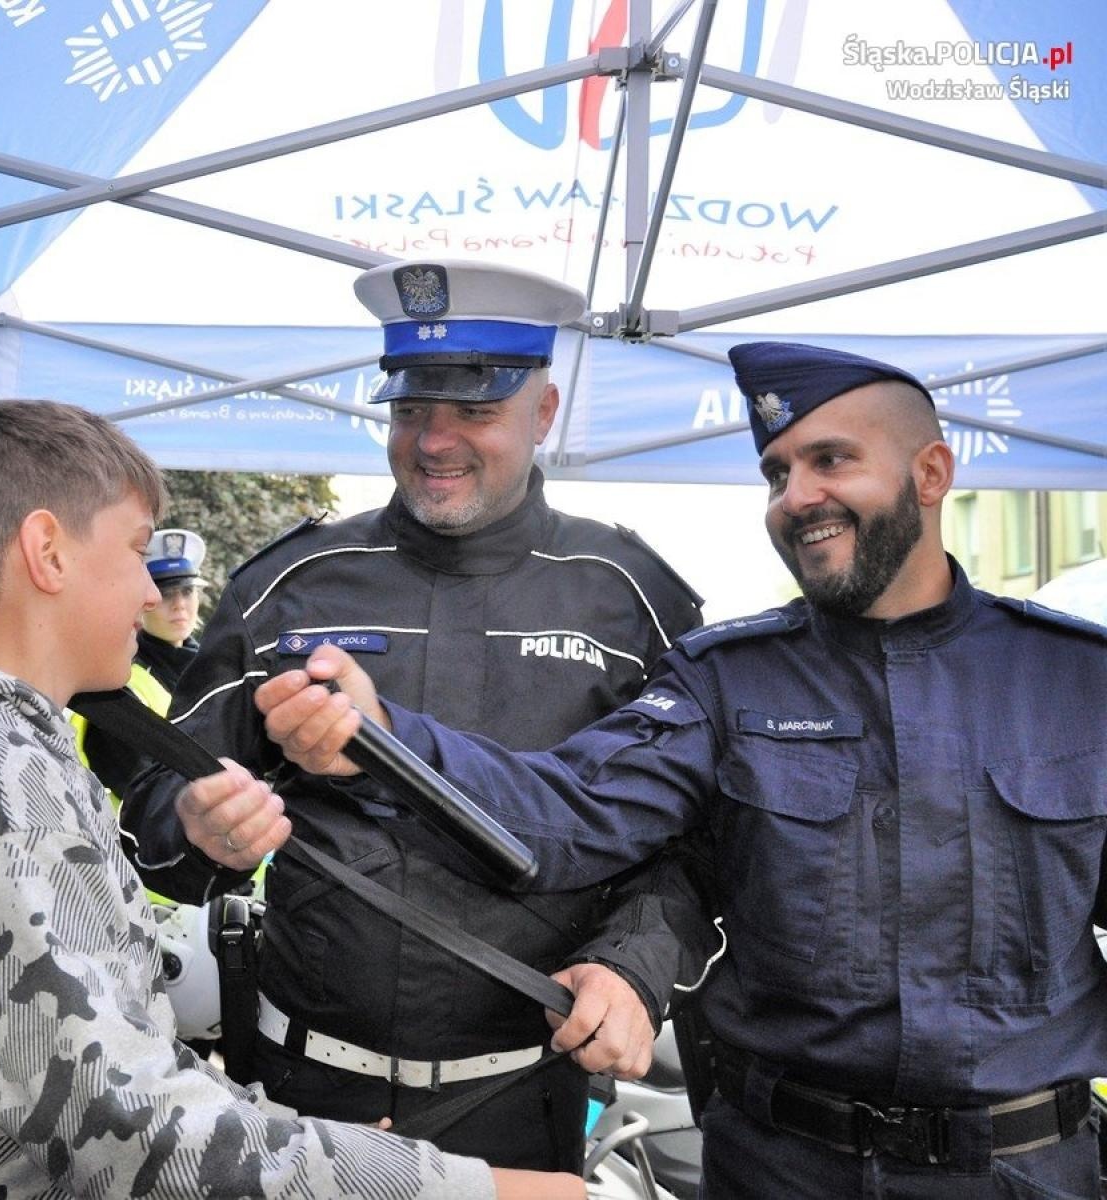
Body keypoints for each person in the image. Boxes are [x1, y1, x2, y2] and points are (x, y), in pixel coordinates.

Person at [256, 342, 1107, 1197]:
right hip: (781, 1170)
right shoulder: (728, 680)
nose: (796, 497)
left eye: (831, 461)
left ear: (931, 473)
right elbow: (573, 813)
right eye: (777, 473)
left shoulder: (1078, 681)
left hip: (1026, 1173)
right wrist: (383, 736)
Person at [0, 398, 583, 1198]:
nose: (148, 594)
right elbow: (131, 1131)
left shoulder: (8, 750)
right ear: (47, 552)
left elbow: (130, 1067)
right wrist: (463, 1189)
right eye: (135, 550)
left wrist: (343, 1153)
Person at [121, 260, 711, 1171]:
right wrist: (199, 827)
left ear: (545, 413)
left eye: (475, 410)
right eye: (409, 409)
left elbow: (697, 841)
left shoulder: (631, 599)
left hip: (521, 1102)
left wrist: (635, 965)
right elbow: (155, 810)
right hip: (304, 1105)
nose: (434, 441)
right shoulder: (289, 585)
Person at [74, 527, 210, 799]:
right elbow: (142, 790)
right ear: (143, 598)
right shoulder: (115, 681)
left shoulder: (213, 667)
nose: (179, 605)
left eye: (187, 591)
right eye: (165, 593)